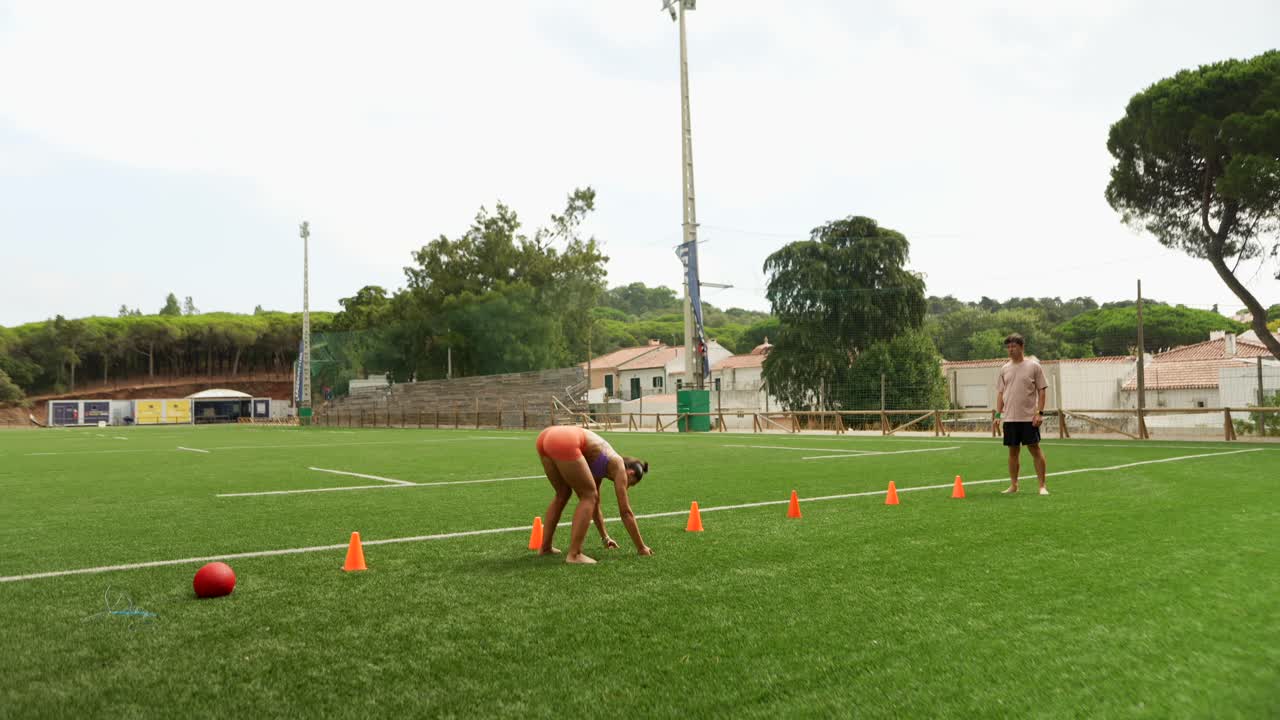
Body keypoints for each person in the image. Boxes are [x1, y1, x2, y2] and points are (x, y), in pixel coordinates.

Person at [534, 425, 652, 564]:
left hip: (546, 436)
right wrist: (641, 547)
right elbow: (625, 512)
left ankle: (545, 547)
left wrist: (605, 538)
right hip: (565, 439)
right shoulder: (619, 465)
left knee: (563, 493)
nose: (627, 487)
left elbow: (594, 506)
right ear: (630, 473)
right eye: (630, 483)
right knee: (588, 496)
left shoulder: (601, 464)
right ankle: (574, 554)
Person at [993, 333, 1050, 495]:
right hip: (1010, 418)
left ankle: (1042, 486)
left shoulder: (1033, 366)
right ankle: (1014, 485)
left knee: (1035, 449)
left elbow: (1042, 390)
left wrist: (1039, 413)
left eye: (1014, 346)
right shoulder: (1004, 368)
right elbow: (1000, 393)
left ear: (1021, 347)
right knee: (1012, 452)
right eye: (1008, 347)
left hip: (1029, 418)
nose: (1010, 350)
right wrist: (998, 415)